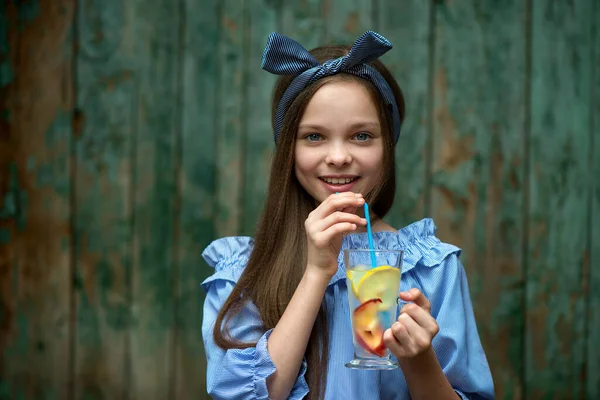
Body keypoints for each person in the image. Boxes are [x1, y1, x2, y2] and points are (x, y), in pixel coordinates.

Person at [201, 30, 495, 400]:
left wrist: (419, 358)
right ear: (287, 149)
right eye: (314, 137)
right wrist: (316, 272)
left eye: (361, 136)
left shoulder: (432, 271)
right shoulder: (244, 272)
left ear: (388, 145)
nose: (338, 157)